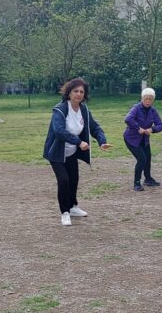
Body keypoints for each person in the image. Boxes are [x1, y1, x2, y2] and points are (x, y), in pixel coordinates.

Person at [43, 77, 113, 226]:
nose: (79, 94)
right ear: (69, 93)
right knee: (64, 180)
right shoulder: (60, 110)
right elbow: (59, 131)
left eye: (82, 91)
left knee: (74, 180)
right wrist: (79, 142)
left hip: (72, 152)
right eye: (76, 91)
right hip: (56, 152)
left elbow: (95, 127)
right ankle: (65, 212)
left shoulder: (84, 110)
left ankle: (73, 207)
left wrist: (102, 141)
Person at [123, 87, 162, 191]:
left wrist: (152, 129)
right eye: (146, 99)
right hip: (131, 139)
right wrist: (138, 128)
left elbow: (161, 125)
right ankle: (136, 183)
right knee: (142, 159)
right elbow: (128, 119)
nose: (148, 101)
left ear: (153, 100)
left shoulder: (153, 111)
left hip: (144, 139)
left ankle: (148, 179)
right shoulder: (136, 108)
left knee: (148, 159)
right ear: (142, 98)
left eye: (150, 99)